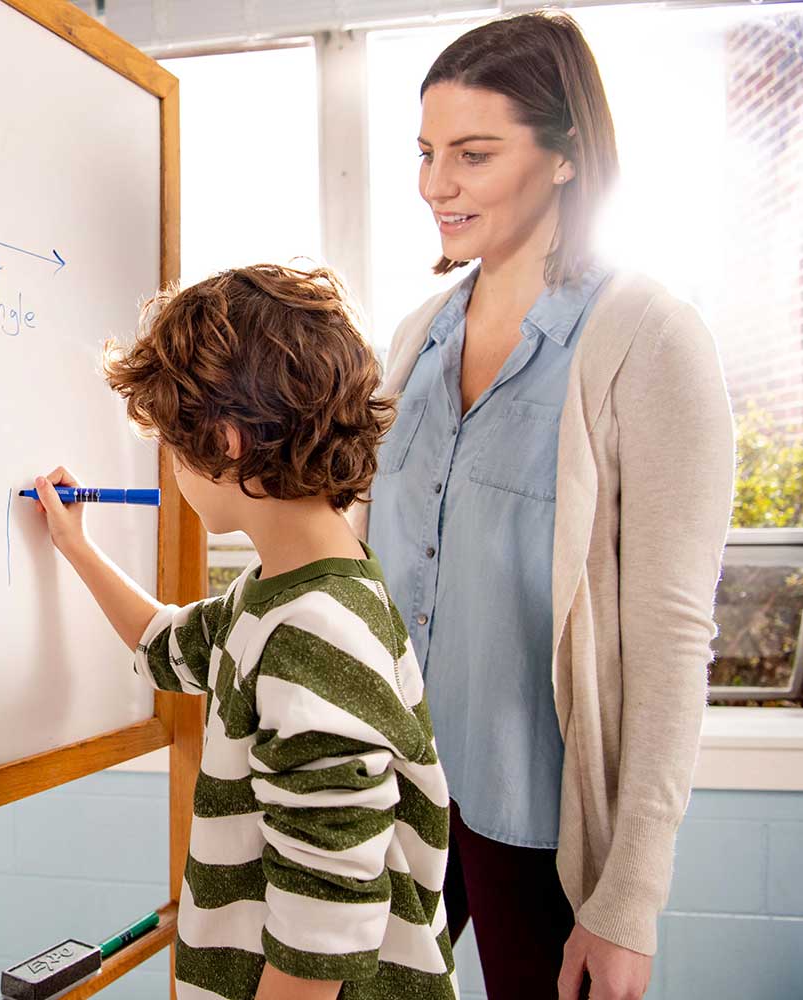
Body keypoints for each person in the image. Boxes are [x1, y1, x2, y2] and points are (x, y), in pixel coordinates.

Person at [356, 12, 734, 1000]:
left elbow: (670, 637)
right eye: (427, 152)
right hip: (391, 802)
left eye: (474, 154)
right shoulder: (417, 334)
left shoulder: (648, 336)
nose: (437, 183)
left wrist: (628, 902)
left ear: (566, 155)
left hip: (536, 825)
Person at [31, 263, 456, 1000]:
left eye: (170, 445)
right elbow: (170, 646)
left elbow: (325, 928)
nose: (169, 471)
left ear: (224, 442)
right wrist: (76, 547)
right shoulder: (292, 592)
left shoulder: (312, 634)